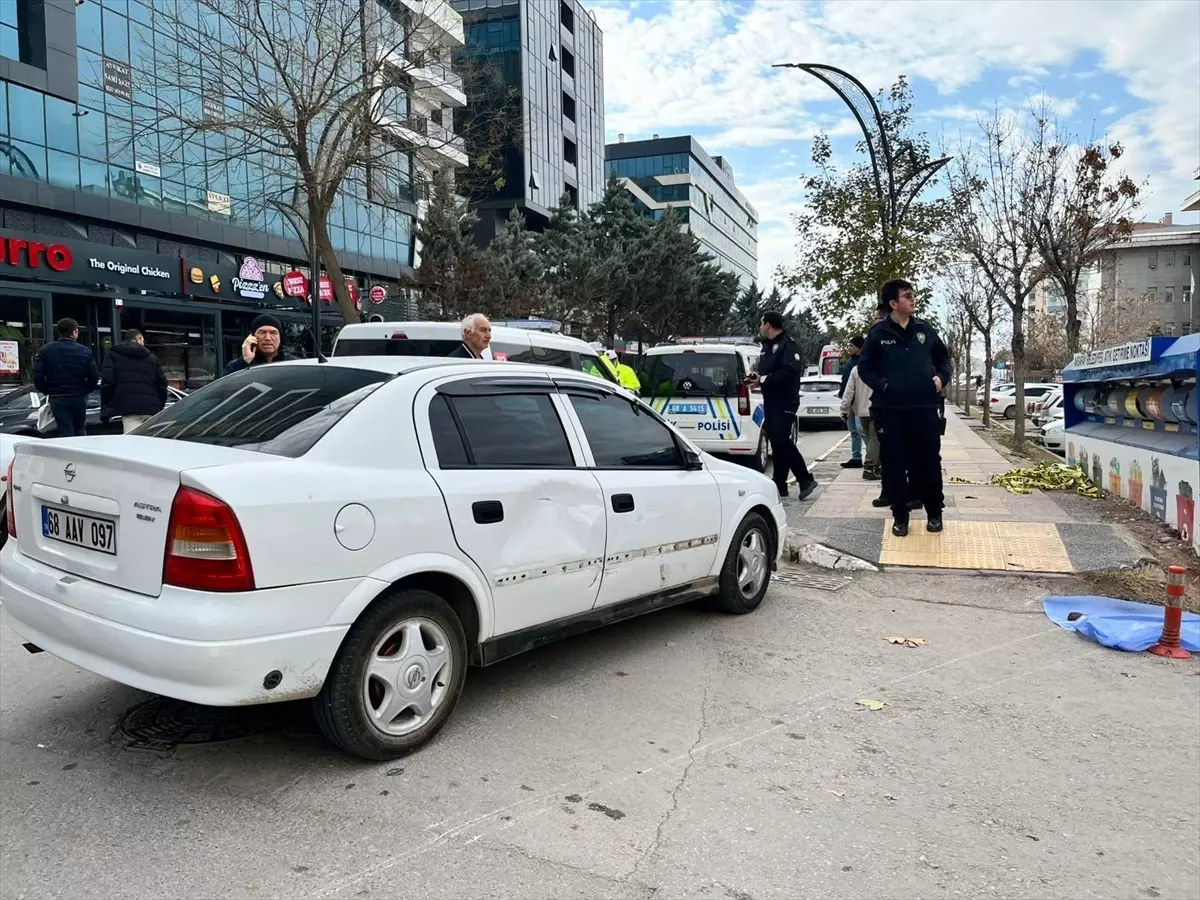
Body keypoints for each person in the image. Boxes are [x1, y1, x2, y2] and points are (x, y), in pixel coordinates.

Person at [856, 278, 952, 537]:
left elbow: (943, 357)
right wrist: (884, 385)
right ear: (893, 303)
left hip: (924, 407)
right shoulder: (878, 334)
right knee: (895, 463)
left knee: (929, 461)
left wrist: (941, 379)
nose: (912, 299)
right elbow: (864, 368)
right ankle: (900, 516)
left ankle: (935, 512)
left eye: (912, 295)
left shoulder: (924, 329)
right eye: (907, 295)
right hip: (891, 410)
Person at [748, 311, 816, 500]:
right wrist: (757, 379)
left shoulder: (788, 345)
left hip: (786, 400)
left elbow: (788, 372)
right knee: (777, 442)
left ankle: (805, 478)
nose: (760, 327)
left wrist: (763, 379)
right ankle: (780, 485)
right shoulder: (766, 346)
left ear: (768, 324)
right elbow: (767, 373)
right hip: (770, 400)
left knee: (780, 439)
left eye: (762, 323)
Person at [33, 318, 100, 437]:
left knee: (64, 430)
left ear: (59, 332)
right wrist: (85, 390)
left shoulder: (46, 350)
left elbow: (38, 375)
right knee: (79, 428)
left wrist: (47, 390)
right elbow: (94, 377)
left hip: (58, 396)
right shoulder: (85, 351)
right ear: (74, 332)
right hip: (79, 395)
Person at [101, 329, 168, 433]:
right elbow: (162, 384)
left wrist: (107, 405)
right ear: (139, 339)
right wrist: (159, 405)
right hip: (151, 407)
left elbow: (107, 382)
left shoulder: (113, 354)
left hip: (127, 407)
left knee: (132, 443)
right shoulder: (152, 358)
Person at [839, 352, 879, 480]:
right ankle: (870, 466)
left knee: (871, 439)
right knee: (875, 439)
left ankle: (876, 465)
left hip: (861, 411)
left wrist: (844, 409)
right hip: (876, 409)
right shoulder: (880, 368)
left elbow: (849, 391)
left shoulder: (856, 370)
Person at [224, 314, 289, 375]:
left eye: (273, 333)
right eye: (262, 332)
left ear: (280, 337)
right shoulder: (239, 365)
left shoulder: (292, 363)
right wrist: (244, 361)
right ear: (252, 336)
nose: (267, 338)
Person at [839, 335, 865, 468]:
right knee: (854, 431)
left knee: (863, 430)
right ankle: (856, 457)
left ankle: (875, 457)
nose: (849, 348)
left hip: (860, 401)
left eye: (851, 346)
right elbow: (846, 383)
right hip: (850, 402)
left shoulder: (864, 362)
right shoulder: (850, 362)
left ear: (859, 347)